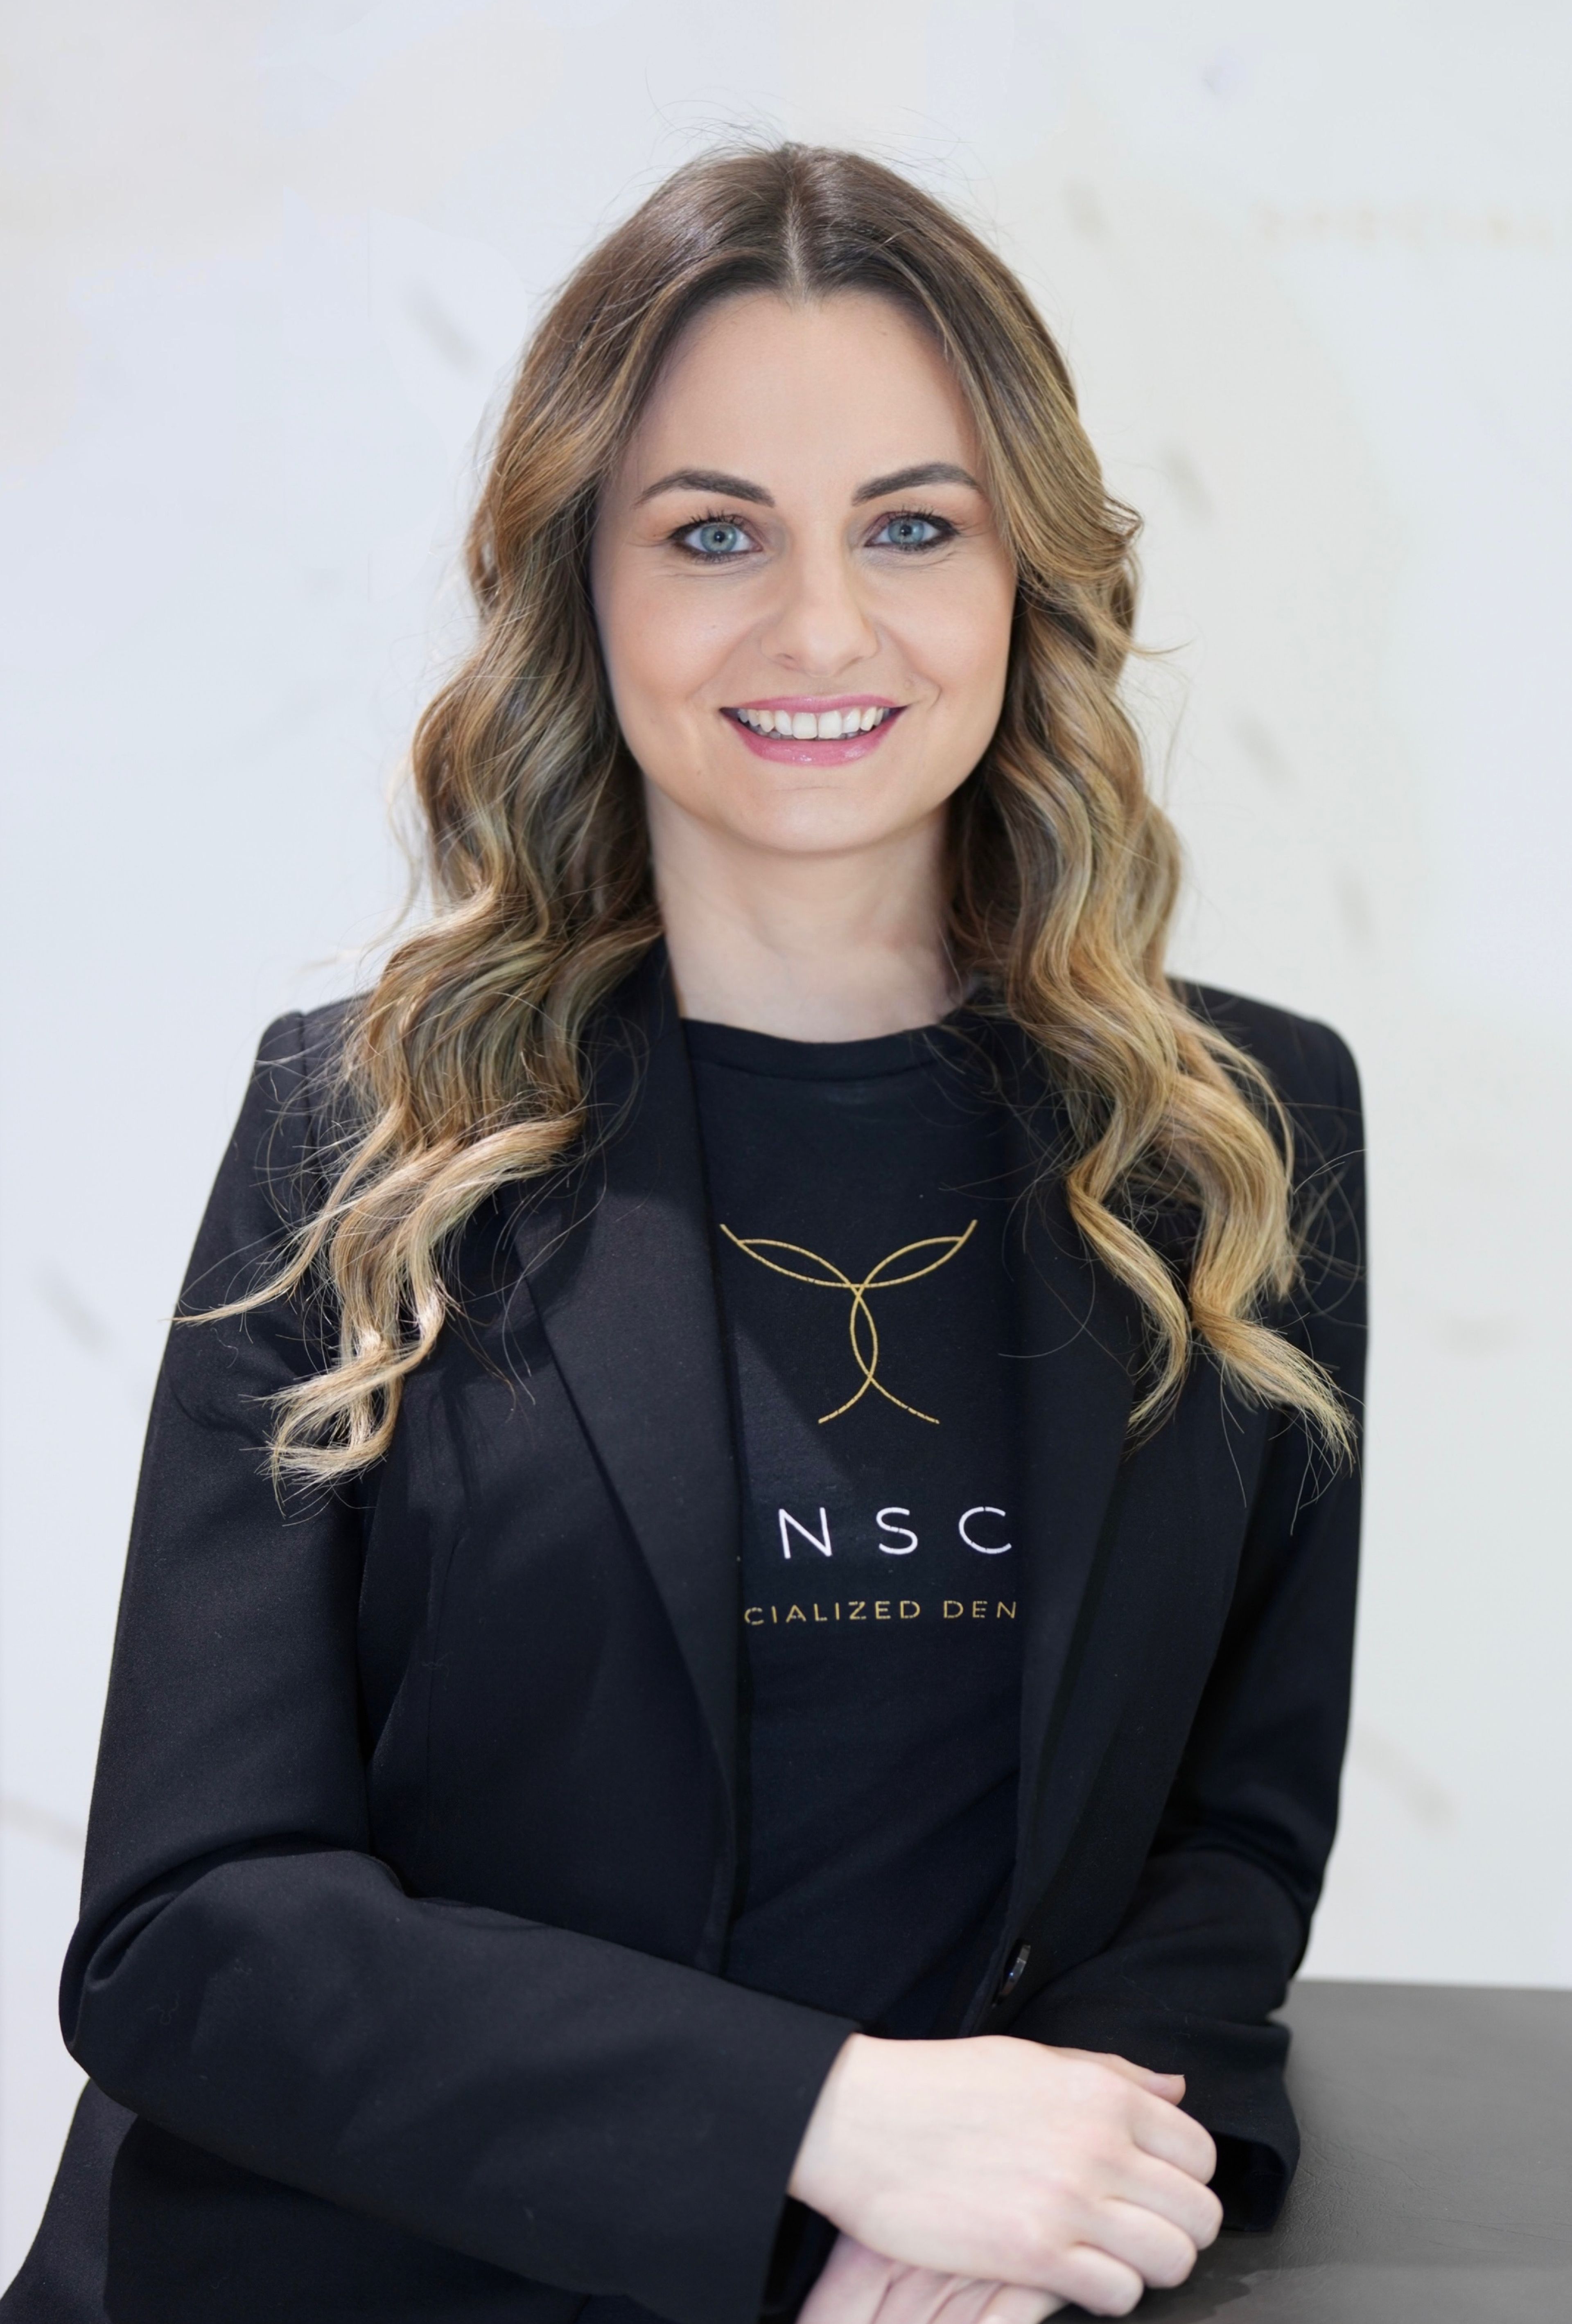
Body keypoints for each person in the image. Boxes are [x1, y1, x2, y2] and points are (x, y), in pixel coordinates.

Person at [4, 145, 1364, 2324]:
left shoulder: (1234, 1134)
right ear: (588, 587)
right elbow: (192, 1929)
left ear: (1028, 578)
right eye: (714, 531)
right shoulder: (359, 1128)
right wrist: (828, 2118)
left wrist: (1023, 2192)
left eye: (912, 526)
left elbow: (1226, 1847)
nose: (819, 625)